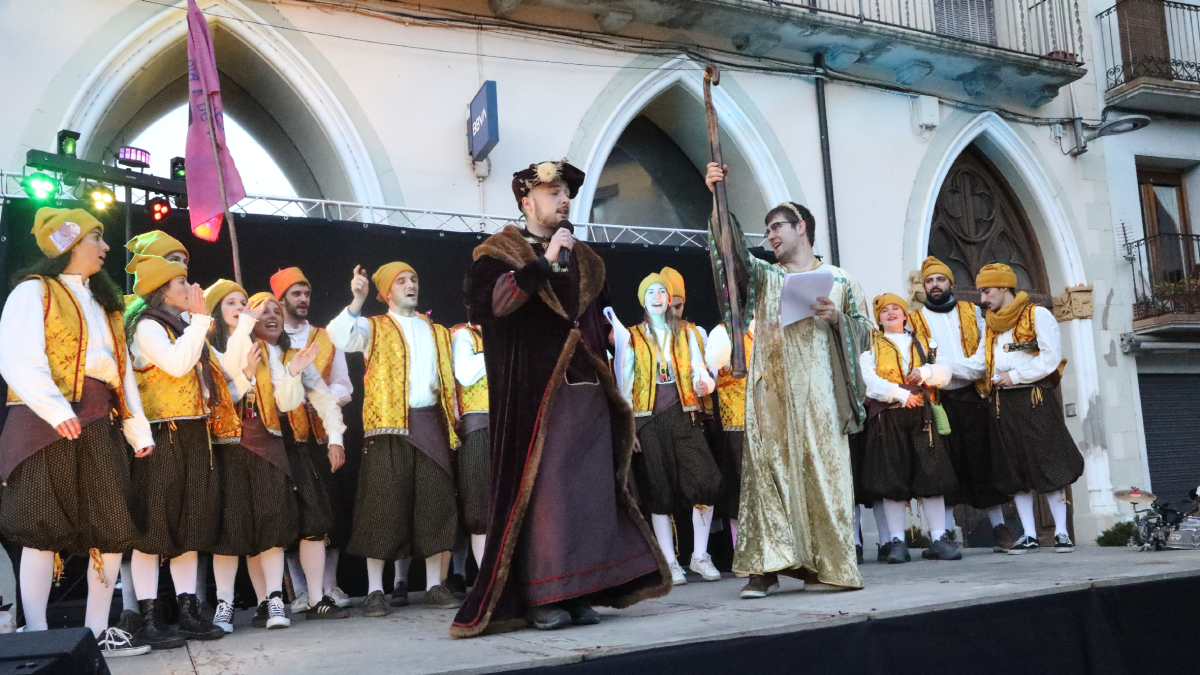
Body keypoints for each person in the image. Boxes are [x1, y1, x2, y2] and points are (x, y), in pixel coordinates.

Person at [452, 160, 669, 637]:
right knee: (545, 494)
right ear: (527, 202)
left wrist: (617, 401)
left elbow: (597, 332)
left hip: (587, 393)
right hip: (533, 396)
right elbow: (495, 307)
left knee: (586, 494)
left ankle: (578, 591)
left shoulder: (588, 260)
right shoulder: (496, 255)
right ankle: (544, 595)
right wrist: (543, 264)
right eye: (553, 192)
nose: (564, 199)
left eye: (566, 191)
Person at [705, 164, 870, 598]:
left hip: (820, 394)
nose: (771, 236)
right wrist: (719, 202)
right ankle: (764, 568)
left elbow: (865, 331)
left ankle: (823, 562)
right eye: (767, 230)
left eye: (777, 226)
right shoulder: (765, 277)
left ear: (801, 227)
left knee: (823, 473)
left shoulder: (840, 279)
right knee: (766, 472)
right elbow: (731, 258)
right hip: (770, 390)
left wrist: (838, 320)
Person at [0, 208, 153, 656]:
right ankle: (39, 632)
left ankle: (95, 632)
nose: (105, 248)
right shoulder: (35, 292)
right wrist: (51, 407)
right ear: (67, 244)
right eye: (96, 238)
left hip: (98, 419)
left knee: (110, 525)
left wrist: (135, 427)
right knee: (40, 526)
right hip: (46, 422)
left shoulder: (106, 304)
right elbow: (16, 355)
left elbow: (121, 375)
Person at [327, 262, 462, 616]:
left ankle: (434, 584)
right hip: (387, 427)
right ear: (386, 292)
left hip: (430, 421)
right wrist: (356, 301)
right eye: (401, 281)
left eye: (414, 279)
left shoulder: (438, 331)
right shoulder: (372, 327)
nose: (410, 285)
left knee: (435, 504)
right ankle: (375, 590)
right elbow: (338, 336)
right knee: (382, 507)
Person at [125, 254, 233, 647]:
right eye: (183, 282)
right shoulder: (147, 327)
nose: (192, 289)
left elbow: (227, 370)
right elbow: (174, 365)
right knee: (153, 528)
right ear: (162, 290)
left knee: (190, 523)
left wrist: (241, 328)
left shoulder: (188, 325)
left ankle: (188, 610)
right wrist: (202, 323)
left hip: (193, 434)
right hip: (159, 435)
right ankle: (148, 617)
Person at [202, 280, 311, 632]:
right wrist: (247, 377)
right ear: (218, 309)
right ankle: (224, 603)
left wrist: (293, 372)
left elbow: (285, 402)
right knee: (229, 530)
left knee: (271, 522)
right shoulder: (208, 349)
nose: (240, 307)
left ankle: (275, 599)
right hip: (228, 446)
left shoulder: (262, 349)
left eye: (244, 301)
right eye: (231, 302)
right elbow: (216, 400)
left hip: (266, 443)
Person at [954, 264, 1085, 553]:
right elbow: (979, 363)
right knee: (1014, 468)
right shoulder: (991, 326)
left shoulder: (1036, 314)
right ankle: (1029, 534)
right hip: (1002, 403)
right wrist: (942, 368)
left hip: (1033, 397)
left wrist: (1014, 376)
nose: (983, 298)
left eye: (986, 291)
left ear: (1003, 287)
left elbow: (1050, 358)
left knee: (1047, 462)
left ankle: (1061, 532)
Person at [610, 273, 721, 585]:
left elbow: (702, 370)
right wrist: (628, 427)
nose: (658, 297)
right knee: (658, 490)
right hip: (648, 420)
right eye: (652, 292)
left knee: (704, 480)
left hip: (683, 415)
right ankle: (670, 561)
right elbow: (624, 384)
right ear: (643, 300)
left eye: (663, 292)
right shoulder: (631, 337)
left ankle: (700, 555)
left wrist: (704, 382)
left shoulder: (687, 333)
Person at [246, 292, 350, 620]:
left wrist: (336, 439)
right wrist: (291, 374)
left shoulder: (295, 353)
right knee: (268, 525)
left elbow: (324, 397)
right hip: (263, 447)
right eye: (264, 312)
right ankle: (267, 601)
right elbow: (282, 402)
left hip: (298, 444)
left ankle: (317, 597)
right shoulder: (246, 353)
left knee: (315, 520)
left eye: (276, 310)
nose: (272, 316)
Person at [909, 257, 1015, 552]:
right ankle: (943, 535)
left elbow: (983, 359)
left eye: (940, 280)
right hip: (937, 403)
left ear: (950, 283)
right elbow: (918, 362)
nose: (935, 285)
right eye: (929, 281)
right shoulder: (914, 320)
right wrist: (937, 371)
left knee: (983, 462)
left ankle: (999, 528)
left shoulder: (972, 312)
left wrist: (946, 368)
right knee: (944, 466)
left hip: (971, 397)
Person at [271, 267, 355, 611]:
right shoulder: (268, 340)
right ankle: (302, 591)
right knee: (292, 516)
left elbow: (344, 386)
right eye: (296, 294)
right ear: (280, 299)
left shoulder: (324, 336)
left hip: (322, 436)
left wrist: (317, 395)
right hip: (284, 438)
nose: (303, 300)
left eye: (306, 294)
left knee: (328, 513)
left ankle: (329, 585)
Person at [858, 294, 960, 564]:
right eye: (884, 311)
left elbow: (946, 371)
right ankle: (897, 542)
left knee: (932, 474)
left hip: (923, 417)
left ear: (905, 314)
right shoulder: (872, 349)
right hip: (888, 417)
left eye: (896, 308)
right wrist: (900, 394)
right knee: (892, 478)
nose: (890, 313)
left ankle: (938, 537)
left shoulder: (926, 343)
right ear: (879, 319)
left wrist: (925, 373)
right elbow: (868, 381)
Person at [704, 320, 756, 549]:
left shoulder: (775, 326)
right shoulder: (722, 332)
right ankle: (742, 549)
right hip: (736, 422)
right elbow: (711, 370)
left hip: (771, 421)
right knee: (739, 487)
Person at [451, 321, 490, 570]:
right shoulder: (464, 335)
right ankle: (487, 578)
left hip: (512, 425)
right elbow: (465, 374)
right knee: (479, 506)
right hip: (477, 426)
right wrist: (497, 348)